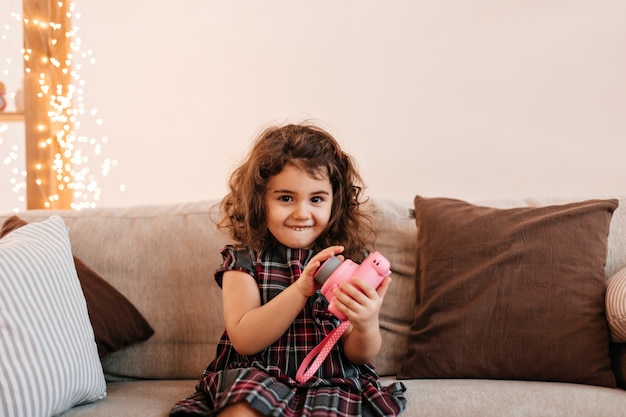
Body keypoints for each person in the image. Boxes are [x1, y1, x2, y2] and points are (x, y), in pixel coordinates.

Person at [170, 122, 407, 416]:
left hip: (331, 379)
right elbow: (244, 340)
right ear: (260, 201)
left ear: (335, 203)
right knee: (241, 408)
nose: (301, 213)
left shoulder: (351, 262)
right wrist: (300, 290)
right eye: (285, 198)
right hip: (258, 375)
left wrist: (367, 322)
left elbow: (359, 353)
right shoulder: (243, 259)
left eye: (317, 199)